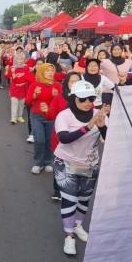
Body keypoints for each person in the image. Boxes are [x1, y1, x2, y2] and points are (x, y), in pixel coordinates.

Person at [53, 81, 109, 255]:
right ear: (73, 99)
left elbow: (108, 138)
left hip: (90, 163)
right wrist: (89, 125)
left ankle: (78, 225)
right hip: (65, 162)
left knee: (84, 198)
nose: (87, 102)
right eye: (83, 99)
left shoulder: (98, 114)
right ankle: (68, 236)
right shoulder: (64, 115)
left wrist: (101, 125)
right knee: (70, 198)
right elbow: (64, 138)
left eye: (91, 98)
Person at [45, 72, 82, 201]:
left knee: (74, 166)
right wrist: (46, 110)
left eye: (78, 81)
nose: (75, 84)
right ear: (66, 83)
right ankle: (57, 190)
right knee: (59, 165)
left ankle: (73, 189)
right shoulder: (59, 98)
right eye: (72, 81)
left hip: (79, 140)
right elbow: (50, 116)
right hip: (60, 139)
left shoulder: (87, 98)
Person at [25, 63, 62, 174]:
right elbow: (27, 102)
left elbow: (59, 104)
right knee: (40, 140)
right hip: (37, 115)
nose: (50, 73)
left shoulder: (57, 86)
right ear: (41, 72)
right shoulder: (35, 85)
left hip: (51, 116)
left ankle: (48, 162)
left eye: (52, 70)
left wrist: (56, 96)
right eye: (47, 71)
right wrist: (35, 95)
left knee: (49, 141)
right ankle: (38, 163)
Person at [6, 51, 30, 124]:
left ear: (24, 60)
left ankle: (19, 116)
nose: (20, 61)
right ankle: (13, 118)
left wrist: (24, 83)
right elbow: (7, 76)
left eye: (21, 59)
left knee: (21, 104)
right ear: (15, 60)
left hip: (23, 88)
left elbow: (28, 77)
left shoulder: (26, 67)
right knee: (14, 103)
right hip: (14, 88)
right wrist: (7, 70)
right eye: (18, 59)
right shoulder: (12, 68)